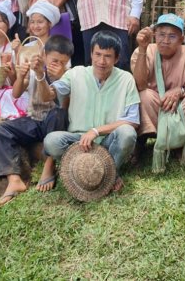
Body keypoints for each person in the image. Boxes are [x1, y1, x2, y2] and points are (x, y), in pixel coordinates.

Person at [44, 30, 140, 193]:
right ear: (91, 54)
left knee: (127, 133)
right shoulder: (75, 73)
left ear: (116, 58)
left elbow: (132, 120)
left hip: (109, 141)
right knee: (51, 141)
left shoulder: (126, 79)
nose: (101, 61)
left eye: (108, 56)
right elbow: (49, 94)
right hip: (79, 141)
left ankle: (110, 171)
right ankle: (82, 167)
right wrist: (40, 75)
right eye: (98, 54)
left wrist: (96, 131)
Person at [0, 35, 73, 205]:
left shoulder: (69, 75)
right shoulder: (35, 67)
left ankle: (49, 166)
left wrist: (60, 75)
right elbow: (15, 93)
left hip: (55, 123)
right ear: (43, 55)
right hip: (34, 120)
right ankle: (14, 180)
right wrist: (21, 76)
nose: (56, 64)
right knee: (0, 130)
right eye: (54, 60)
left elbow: (65, 105)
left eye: (62, 62)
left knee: (59, 114)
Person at [132, 14, 185, 170]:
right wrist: (142, 49)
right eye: (161, 34)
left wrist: (179, 91)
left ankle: (181, 144)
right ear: (154, 35)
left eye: (172, 36)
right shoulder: (147, 50)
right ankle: (141, 140)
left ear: (181, 39)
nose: (165, 40)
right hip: (155, 104)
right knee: (143, 96)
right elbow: (140, 85)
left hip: (177, 106)